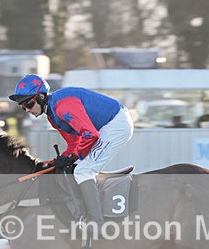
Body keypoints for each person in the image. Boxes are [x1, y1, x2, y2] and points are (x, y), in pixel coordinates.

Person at [9, 74, 134, 234]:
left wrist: (71, 157)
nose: (27, 110)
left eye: (29, 104)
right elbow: (75, 143)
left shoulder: (62, 106)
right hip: (105, 127)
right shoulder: (52, 116)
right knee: (74, 167)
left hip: (116, 125)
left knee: (83, 170)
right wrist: (57, 161)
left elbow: (90, 135)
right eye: (23, 107)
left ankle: (96, 223)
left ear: (40, 97)